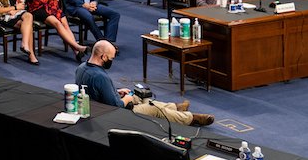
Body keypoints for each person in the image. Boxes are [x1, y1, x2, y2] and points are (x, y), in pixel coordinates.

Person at [76, 41, 213, 126]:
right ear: (104, 57)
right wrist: (126, 99)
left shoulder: (82, 67)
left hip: (97, 104)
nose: (112, 61)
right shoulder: (100, 77)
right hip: (109, 113)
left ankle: (173, 107)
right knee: (152, 108)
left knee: (139, 96)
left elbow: (95, 90)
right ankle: (190, 118)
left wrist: (116, 92)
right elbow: (115, 105)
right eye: (111, 58)